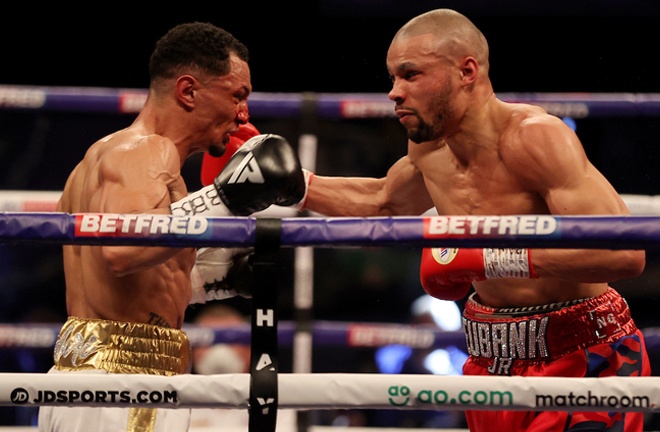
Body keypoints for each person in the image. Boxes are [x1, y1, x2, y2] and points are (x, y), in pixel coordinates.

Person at [292, 9, 650, 432]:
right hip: (489, 360)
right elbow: (383, 202)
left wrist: (493, 260)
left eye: (410, 74)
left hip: (582, 355)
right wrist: (292, 184)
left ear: (467, 71)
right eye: (393, 78)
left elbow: (625, 253)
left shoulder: (536, 137)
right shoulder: (428, 152)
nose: (394, 92)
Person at [40, 22, 305, 432]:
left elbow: (119, 277)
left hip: (101, 370)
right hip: (124, 382)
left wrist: (213, 281)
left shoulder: (112, 160)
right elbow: (122, 250)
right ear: (188, 91)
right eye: (237, 96)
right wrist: (225, 199)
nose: (243, 114)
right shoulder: (148, 150)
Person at [188, 304, 296, 431]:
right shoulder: (175, 405)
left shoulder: (279, 407)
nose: (220, 351)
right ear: (192, 351)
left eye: (231, 341)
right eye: (209, 342)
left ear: (248, 349)